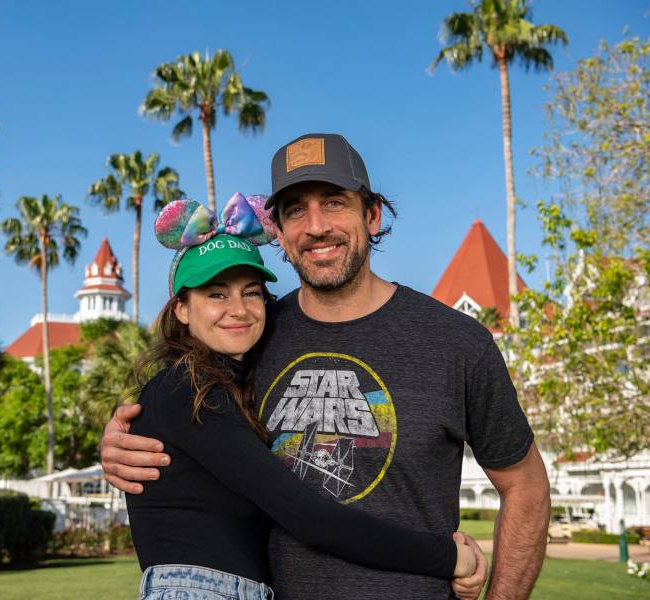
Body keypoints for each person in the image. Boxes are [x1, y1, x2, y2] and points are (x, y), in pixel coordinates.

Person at [103, 134, 550, 600]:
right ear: (276, 229)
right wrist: (120, 439)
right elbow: (183, 408)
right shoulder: (251, 334)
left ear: (372, 214)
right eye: (295, 209)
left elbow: (526, 487)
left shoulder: (456, 343)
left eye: (334, 202)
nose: (316, 226)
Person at [128, 193, 481, 600]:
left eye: (251, 291)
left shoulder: (226, 386)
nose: (239, 309)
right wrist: (449, 558)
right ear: (182, 310)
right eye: (216, 294)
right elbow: (310, 518)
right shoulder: (185, 390)